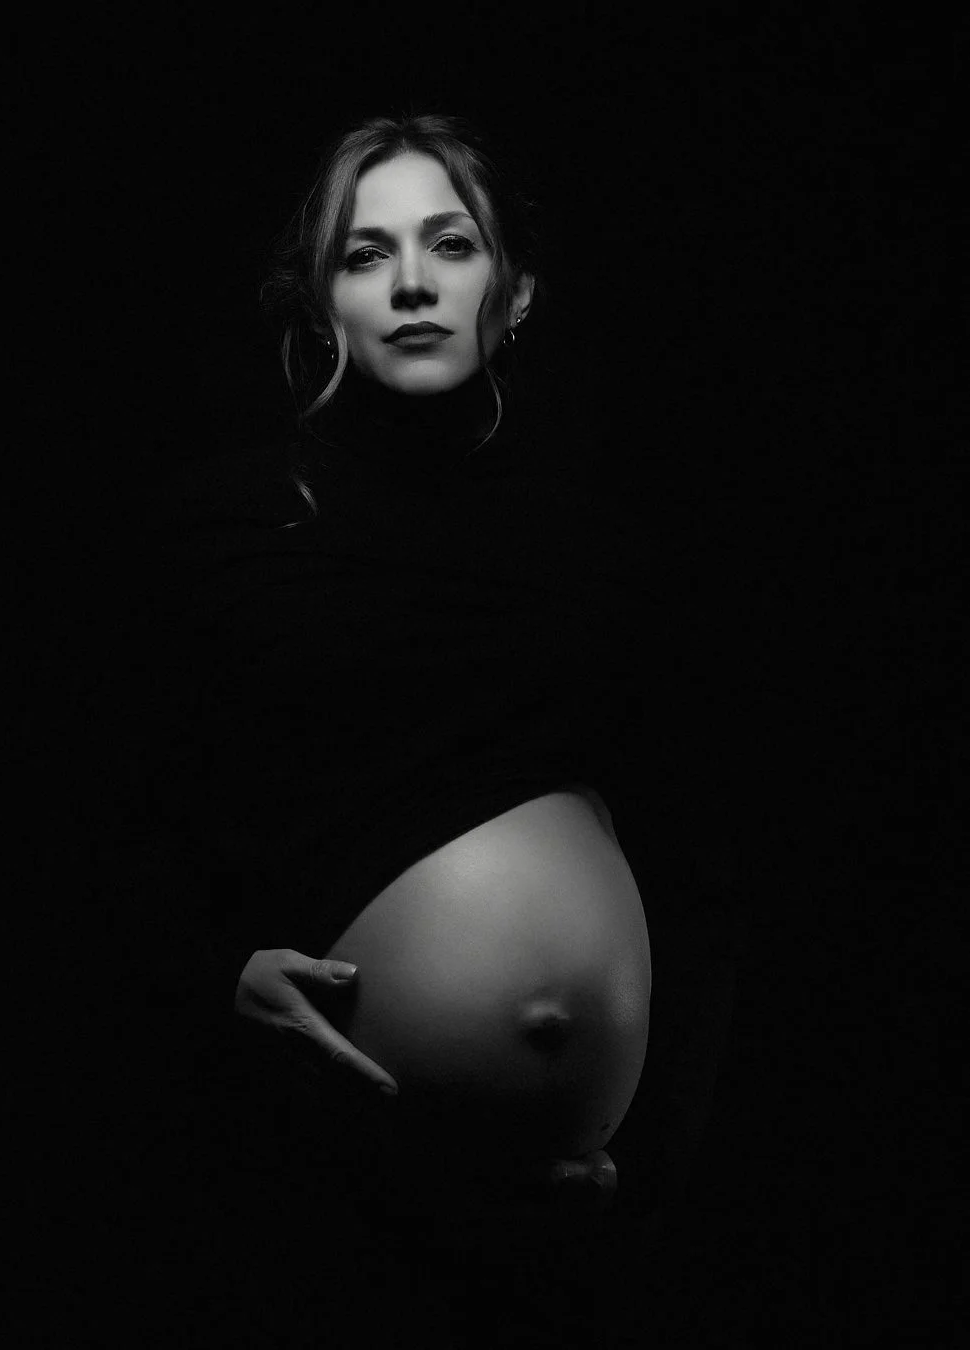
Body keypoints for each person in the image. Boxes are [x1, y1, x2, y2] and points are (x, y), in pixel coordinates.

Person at [130, 112, 739, 1345]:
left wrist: (652, 1143)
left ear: (511, 294)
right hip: (323, 1165)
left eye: (450, 244)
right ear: (318, 305)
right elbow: (109, 820)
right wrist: (210, 984)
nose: (411, 283)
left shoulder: (604, 545)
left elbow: (709, 854)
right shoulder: (232, 526)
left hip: (572, 1218)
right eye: (365, 256)